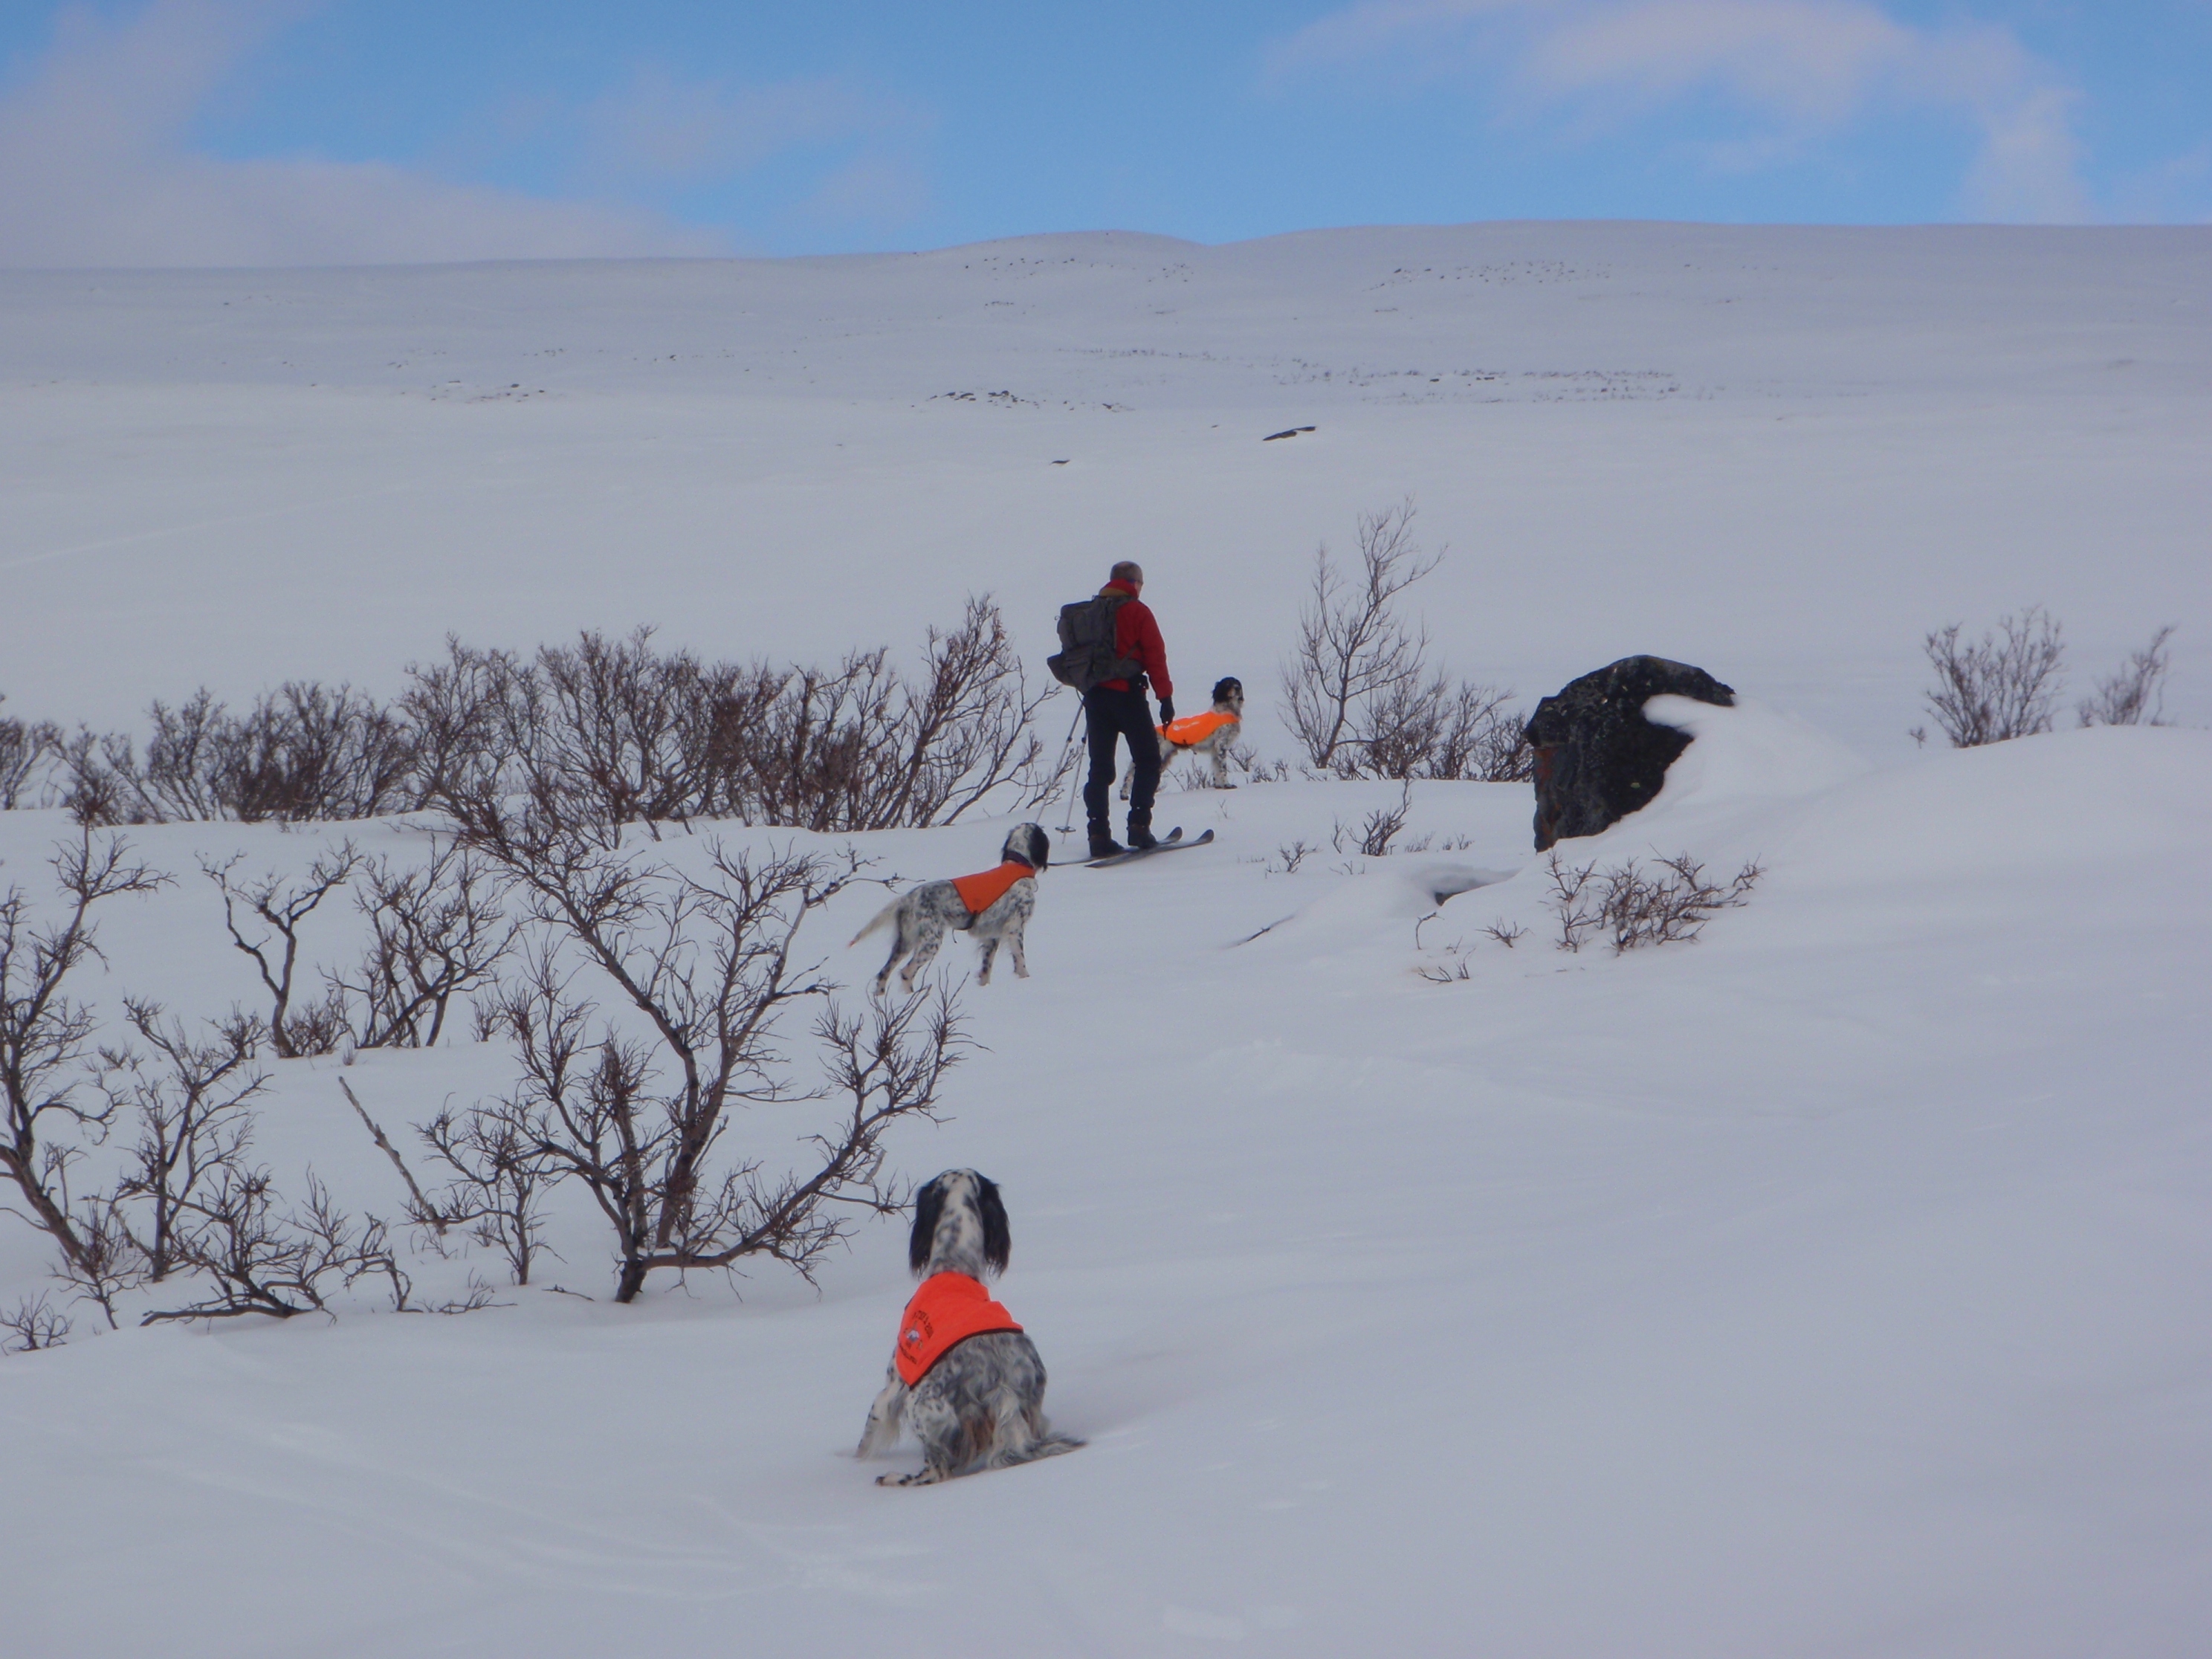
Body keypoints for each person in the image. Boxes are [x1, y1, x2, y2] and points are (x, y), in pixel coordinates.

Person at [1081, 560, 1174, 858]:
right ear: (1134, 584)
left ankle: (1098, 835)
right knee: (1148, 759)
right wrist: (1165, 698)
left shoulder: (1092, 611)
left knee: (1100, 768)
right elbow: (1155, 655)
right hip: (1128, 696)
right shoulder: (1138, 612)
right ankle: (1139, 827)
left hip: (1095, 697)